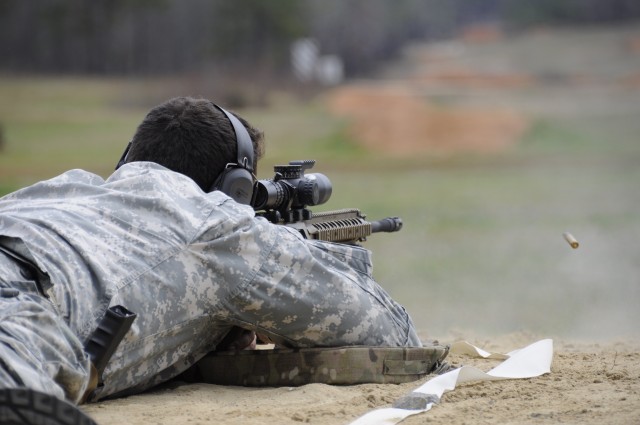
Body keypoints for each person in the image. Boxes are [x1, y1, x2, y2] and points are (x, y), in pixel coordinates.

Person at [0, 97, 421, 423]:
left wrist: (203, 331)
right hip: (18, 313)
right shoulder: (216, 225)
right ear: (236, 190)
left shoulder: (59, 188)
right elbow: (390, 333)